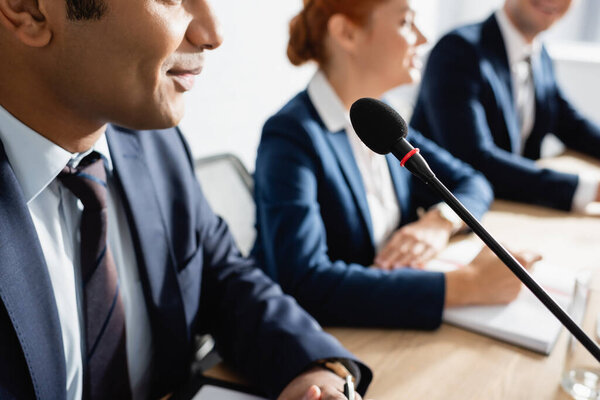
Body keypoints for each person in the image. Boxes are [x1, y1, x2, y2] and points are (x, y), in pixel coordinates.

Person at [0, 0, 373, 399]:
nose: (212, 34)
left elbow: (225, 279)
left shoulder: (150, 141)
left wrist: (315, 371)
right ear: (30, 10)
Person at [253, 0, 540, 330]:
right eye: (405, 22)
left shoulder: (381, 119)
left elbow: (472, 181)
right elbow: (305, 283)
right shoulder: (291, 137)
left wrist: (439, 222)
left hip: (388, 327)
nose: (422, 38)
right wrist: (466, 285)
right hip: (329, 339)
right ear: (346, 33)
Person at [411, 0, 600, 212]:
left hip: (506, 207)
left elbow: (572, 126)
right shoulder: (458, 50)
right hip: (445, 214)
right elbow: (476, 159)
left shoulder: (540, 55)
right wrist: (591, 189)